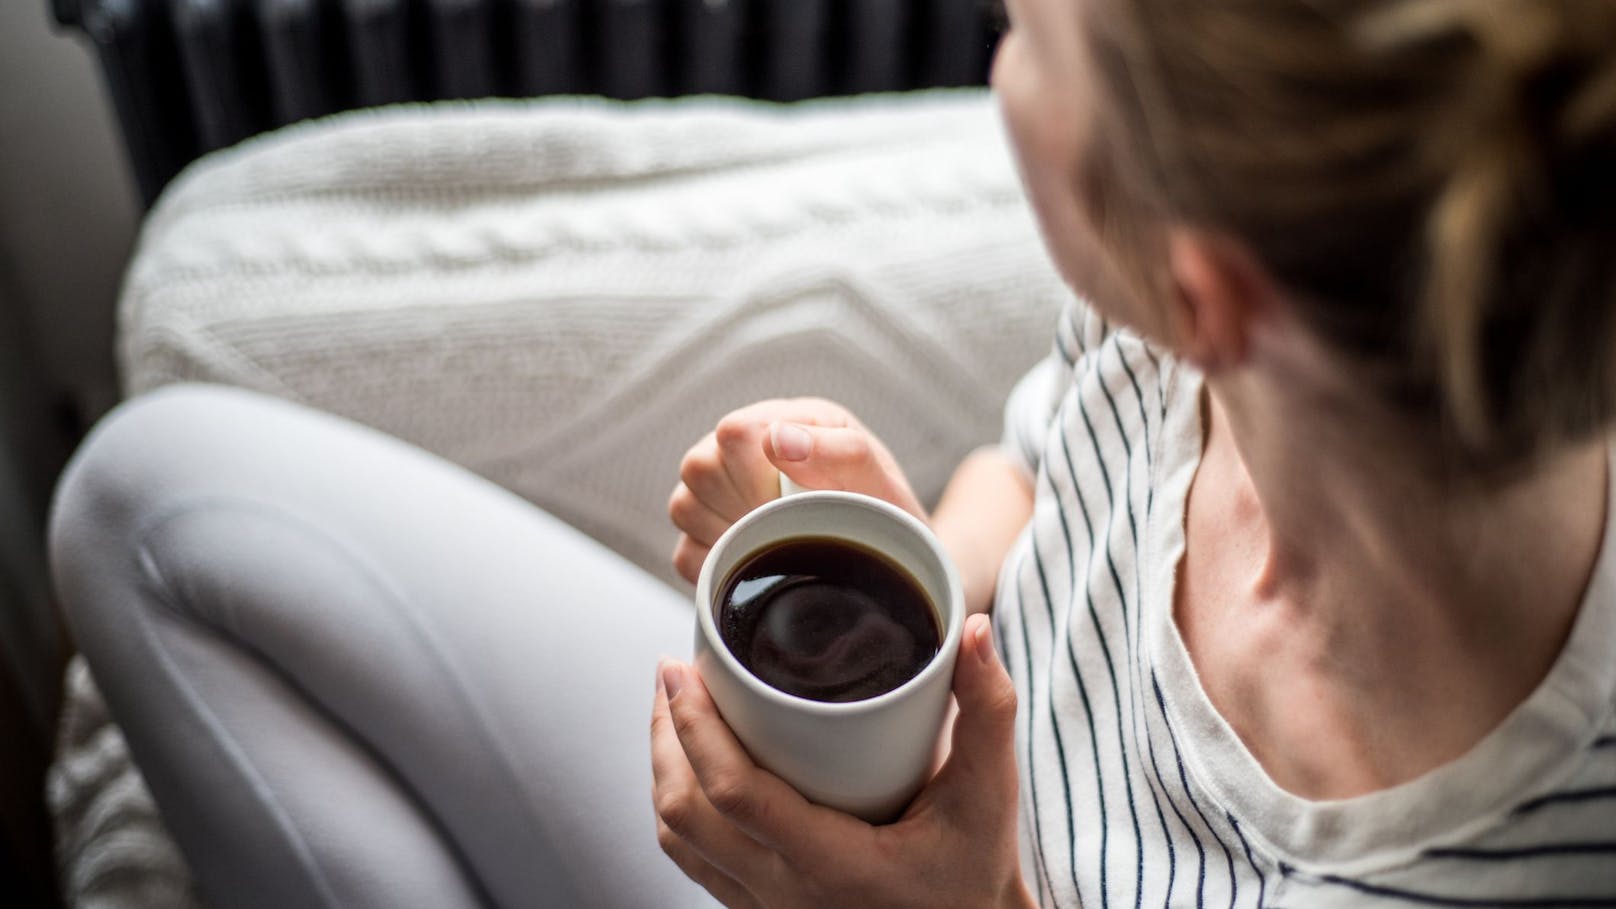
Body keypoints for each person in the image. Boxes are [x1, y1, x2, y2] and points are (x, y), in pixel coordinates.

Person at [50, 0, 1616, 907]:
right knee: (142, 503)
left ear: (1205, 284)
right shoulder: (1243, 338)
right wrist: (927, 561)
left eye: (1026, 36)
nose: (998, 43)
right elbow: (1034, 469)